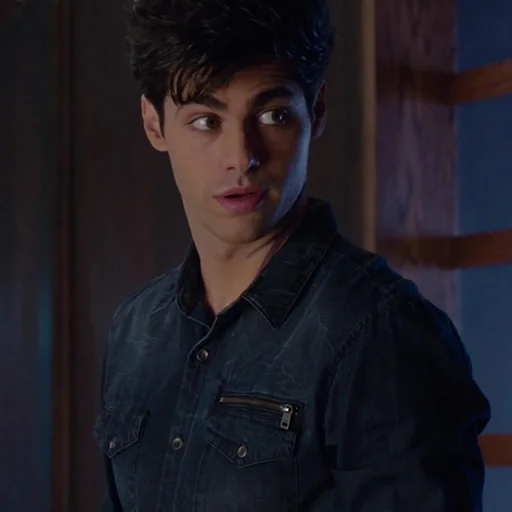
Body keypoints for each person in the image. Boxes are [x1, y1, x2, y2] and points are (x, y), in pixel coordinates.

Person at [94, 1, 491, 510]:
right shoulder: (135, 328)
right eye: (205, 121)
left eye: (273, 115)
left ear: (316, 110)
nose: (241, 156)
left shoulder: (381, 332)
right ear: (154, 124)